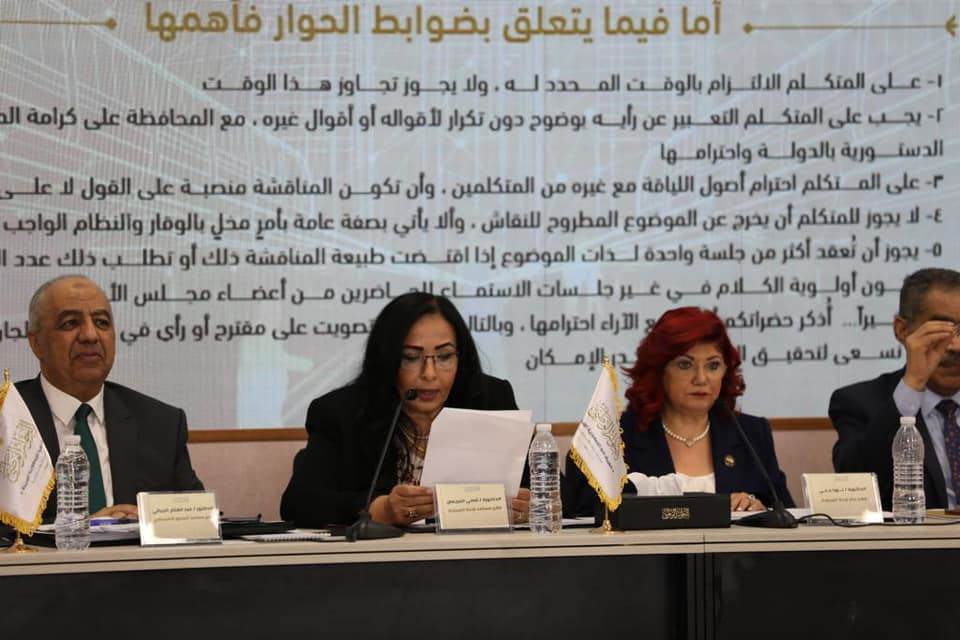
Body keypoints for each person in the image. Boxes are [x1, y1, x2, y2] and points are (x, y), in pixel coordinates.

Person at [280, 292, 527, 527]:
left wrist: (531, 505)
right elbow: (299, 502)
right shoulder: (342, 412)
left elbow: (541, 489)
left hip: (481, 553)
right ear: (387, 360)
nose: (429, 374)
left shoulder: (491, 400)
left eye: (444, 356)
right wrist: (381, 510)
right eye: (410, 357)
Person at [565, 307, 793, 517]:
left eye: (713, 365)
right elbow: (585, 517)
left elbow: (788, 514)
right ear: (659, 370)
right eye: (685, 365)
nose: (701, 378)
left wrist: (758, 509)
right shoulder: (611, 439)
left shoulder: (752, 435)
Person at [16, 275, 203, 522]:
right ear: (36, 343)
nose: (90, 335)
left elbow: (197, 522)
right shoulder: (8, 418)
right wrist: (85, 526)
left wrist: (144, 520)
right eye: (71, 323)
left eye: (102, 323)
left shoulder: (161, 424)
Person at [830, 268, 960, 510]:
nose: (956, 346)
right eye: (942, 330)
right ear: (902, 330)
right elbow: (855, 490)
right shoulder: (859, 403)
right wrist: (912, 385)